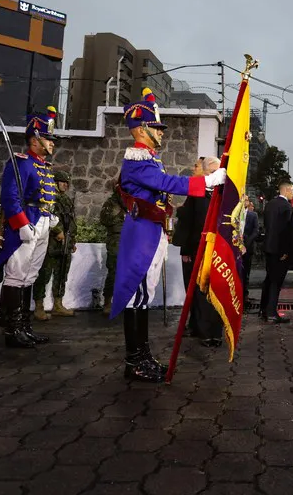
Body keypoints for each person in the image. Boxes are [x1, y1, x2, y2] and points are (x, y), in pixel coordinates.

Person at [112, 89, 226, 382]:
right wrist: (207, 181)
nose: (161, 133)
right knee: (136, 298)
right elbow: (165, 182)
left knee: (143, 298)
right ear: (140, 129)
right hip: (141, 235)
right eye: (156, 127)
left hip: (152, 233)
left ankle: (142, 355)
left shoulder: (149, 158)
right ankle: (135, 360)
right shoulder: (137, 160)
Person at [0, 109, 59, 349]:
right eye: (49, 139)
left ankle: (25, 326)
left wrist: (50, 217)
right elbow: (10, 197)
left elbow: (45, 197)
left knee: (30, 275)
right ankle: (13, 329)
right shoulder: (21, 162)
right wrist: (21, 224)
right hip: (26, 222)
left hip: (41, 221)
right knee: (16, 274)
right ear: (35, 139)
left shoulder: (43, 165)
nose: (52, 143)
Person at [173, 156, 223, 347]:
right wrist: (185, 249)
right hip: (197, 249)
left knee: (214, 291)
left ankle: (214, 331)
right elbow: (187, 224)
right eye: (214, 171)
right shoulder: (196, 193)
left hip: (217, 251)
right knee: (199, 291)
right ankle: (204, 332)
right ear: (207, 172)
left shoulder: (223, 194)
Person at [32, 170, 77, 320]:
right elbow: (46, 216)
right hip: (50, 244)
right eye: (62, 182)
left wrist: (73, 240)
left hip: (65, 244)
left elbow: (71, 221)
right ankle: (39, 306)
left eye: (66, 183)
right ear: (55, 183)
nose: (65, 185)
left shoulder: (67, 200)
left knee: (61, 275)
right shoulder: (50, 198)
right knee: (44, 275)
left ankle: (58, 304)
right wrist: (57, 231)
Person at [260, 180, 293, 323]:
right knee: (276, 281)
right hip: (280, 249)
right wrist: (285, 250)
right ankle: (271, 313)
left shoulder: (269, 204)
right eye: (292, 190)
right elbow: (285, 231)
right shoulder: (286, 206)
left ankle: (264, 309)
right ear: (286, 190)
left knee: (269, 279)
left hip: (268, 248)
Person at [98, 188, 126, 316]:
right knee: (114, 271)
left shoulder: (131, 203)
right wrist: (121, 215)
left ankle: (122, 301)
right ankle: (108, 302)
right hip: (116, 240)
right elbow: (104, 220)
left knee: (127, 273)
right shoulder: (111, 203)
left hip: (129, 239)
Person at [242, 197, 259, 296]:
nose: (245, 202)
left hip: (248, 248)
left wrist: (246, 242)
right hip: (235, 247)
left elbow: (255, 231)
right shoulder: (234, 214)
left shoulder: (253, 215)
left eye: (247, 200)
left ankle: (245, 294)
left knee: (246, 273)